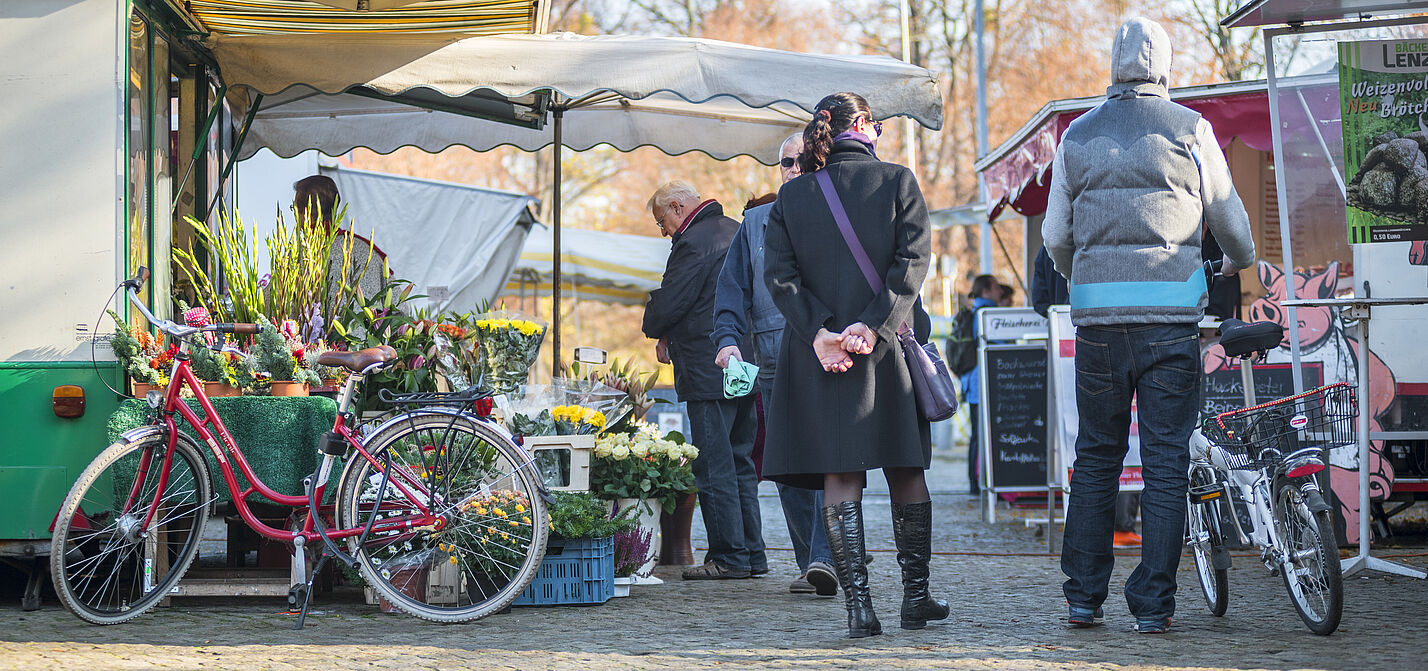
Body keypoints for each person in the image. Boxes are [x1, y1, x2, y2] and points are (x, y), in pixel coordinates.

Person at [1042, 17, 1255, 634]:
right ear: (1165, 65)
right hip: (1171, 322)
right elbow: (1228, 213)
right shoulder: (1191, 128)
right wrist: (1237, 262)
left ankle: (1083, 596)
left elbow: (1057, 237)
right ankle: (1154, 606)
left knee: (1098, 456)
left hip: (1099, 325)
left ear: (1113, 64)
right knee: (1165, 464)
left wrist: (1082, 272)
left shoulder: (1075, 135)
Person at [762, 92, 948, 638]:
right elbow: (912, 261)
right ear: (863, 125)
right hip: (886, 352)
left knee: (841, 474)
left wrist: (821, 333)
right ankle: (915, 599)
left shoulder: (792, 196)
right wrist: (873, 326)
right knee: (906, 472)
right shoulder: (898, 182)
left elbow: (778, 276)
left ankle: (858, 610)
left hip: (820, 359)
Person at [712, 134, 838, 597]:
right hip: (773, 362)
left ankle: (828, 556)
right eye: (787, 162)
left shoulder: (841, 217)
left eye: (804, 161)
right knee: (787, 468)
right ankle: (812, 563)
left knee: (831, 460)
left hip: (833, 360)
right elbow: (731, 290)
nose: (794, 169)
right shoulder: (755, 223)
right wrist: (727, 340)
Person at [641, 180, 766, 581]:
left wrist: (655, 323)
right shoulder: (734, 229)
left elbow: (672, 299)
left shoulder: (693, 242)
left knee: (713, 464)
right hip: (745, 363)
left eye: (662, 222)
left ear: (678, 207)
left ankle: (729, 556)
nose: (664, 232)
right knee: (742, 460)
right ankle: (753, 554)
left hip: (708, 365)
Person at [1032, 247, 1143, 549]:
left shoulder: (1049, 249)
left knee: (1083, 444)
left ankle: (1086, 535)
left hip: (1067, 347)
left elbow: (1039, 302)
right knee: (1125, 435)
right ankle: (1120, 525)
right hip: (1113, 333)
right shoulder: (1110, 240)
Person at [292, 174, 388, 304]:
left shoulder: (299, 257)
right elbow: (401, 308)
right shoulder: (368, 250)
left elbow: (271, 304)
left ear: (304, 212)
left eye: (294, 208)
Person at [960, 275, 1003, 496]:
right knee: (982, 433)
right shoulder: (988, 314)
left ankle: (974, 481)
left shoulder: (972, 313)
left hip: (971, 383)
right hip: (982, 382)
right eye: (996, 288)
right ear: (986, 291)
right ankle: (977, 482)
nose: (1000, 293)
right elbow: (999, 345)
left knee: (976, 433)